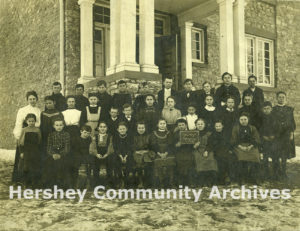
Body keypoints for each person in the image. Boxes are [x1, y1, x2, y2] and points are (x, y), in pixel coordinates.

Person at [12, 91, 41, 183]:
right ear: (27, 100)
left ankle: (33, 179)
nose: (32, 101)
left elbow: (39, 123)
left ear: (36, 99)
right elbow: (19, 123)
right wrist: (18, 136)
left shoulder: (38, 110)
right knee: (22, 159)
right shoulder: (22, 110)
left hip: (34, 137)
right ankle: (20, 179)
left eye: (34, 99)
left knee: (33, 160)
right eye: (30, 99)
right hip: (25, 136)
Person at [231, 113, 261, 184]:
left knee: (256, 156)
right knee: (241, 157)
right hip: (239, 146)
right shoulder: (236, 128)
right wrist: (241, 147)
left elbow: (257, 139)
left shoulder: (252, 128)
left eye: (245, 119)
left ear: (248, 120)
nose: (243, 121)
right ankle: (242, 178)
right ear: (239, 120)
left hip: (251, 146)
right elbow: (233, 140)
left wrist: (250, 146)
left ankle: (254, 178)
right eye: (241, 119)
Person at [272, 91, 296, 178]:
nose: (281, 99)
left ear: (285, 98)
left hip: (285, 135)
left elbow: (292, 123)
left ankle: (283, 172)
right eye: (279, 97)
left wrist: (291, 133)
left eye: (283, 97)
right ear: (277, 98)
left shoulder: (289, 109)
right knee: (276, 154)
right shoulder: (273, 109)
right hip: (276, 135)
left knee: (284, 154)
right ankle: (276, 172)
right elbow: (271, 122)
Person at [46, 118, 71, 188]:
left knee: (62, 166)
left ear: (63, 126)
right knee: (49, 165)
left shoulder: (66, 134)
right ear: (54, 126)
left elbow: (67, 148)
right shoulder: (51, 135)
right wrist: (52, 154)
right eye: (57, 125)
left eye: (60, 125)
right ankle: (52, 185)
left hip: (63, 154)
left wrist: (60, 154)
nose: (59, 127)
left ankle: (62, 185)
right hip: (53, 153)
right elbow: (49, 147)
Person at [149, 119, 175, 188]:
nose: (162, 125)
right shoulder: (154, 133)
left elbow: (171, 144)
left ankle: (170, 182)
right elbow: (153, 144)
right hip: (157, 152)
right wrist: (159, 153)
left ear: (166, 125)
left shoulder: (169, 133)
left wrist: (166, 153)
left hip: (168, 152)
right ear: (157, 125)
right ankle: (160, 183)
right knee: (158, 164)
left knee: (171, 162)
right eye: (161, 123)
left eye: (164, 123)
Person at [18, 114, 42, 187]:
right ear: (26, 121)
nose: (31, 123)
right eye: (29, 121)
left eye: (33, 121)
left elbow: (39, 141)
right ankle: (26, 183)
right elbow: (20, 142)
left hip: (35, 151)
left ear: (35, 121)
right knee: (26, 167)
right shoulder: (24, 130)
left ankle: (34, 183)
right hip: (26, 151)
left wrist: (38, 151)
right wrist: (21, 152)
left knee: (34, 166)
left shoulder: (37, 130)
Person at [193, 118, 217, 187]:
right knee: (198, 159)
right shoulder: (192, 133)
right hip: (197, 150)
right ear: (196, 125)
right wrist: (194, 146)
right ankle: (201, 181)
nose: (200, 125)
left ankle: (209, 181)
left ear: (204, 125)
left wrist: (207, 151)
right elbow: (189, 143)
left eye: (201, 124)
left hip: (207, 149)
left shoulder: (209, 133)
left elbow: (211, 144)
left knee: (210, 159)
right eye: (198, 124)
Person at [207, 120, 232, 185]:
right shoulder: (212, 135)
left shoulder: (226, 134)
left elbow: (229, 143)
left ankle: (226, 177)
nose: (218, 127)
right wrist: (208, 150)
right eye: (216, 126)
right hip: (216, 151)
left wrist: (229, 149)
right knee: (220, 159)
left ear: (222, 126)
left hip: (226, 150)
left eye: (219, 126)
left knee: (227, 158)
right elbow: (210, 144)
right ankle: (221, 178)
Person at [90, 121, 114, 187]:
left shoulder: (109, 136)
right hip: (98, 153)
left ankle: (109, 183)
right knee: (95, 163)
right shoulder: (95, 136)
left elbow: (110, 145)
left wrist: (107, 154)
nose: (102, 128)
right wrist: (96, 154)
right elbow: (93, 146)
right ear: (98, 128)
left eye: (104, 127)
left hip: (107, 153)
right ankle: (96, 183)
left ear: (107, 128)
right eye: (101, 127)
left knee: (110, 161)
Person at [133, 121, 154, 188]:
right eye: (139, 128)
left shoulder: (149, 136)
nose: (141, 129)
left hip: (146, 153)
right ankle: (140, 181)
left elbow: (151, 146)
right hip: (137, 153)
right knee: (139, 165)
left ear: (145, 128)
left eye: (142, 128)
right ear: (136, 128)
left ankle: (147, 182)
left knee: (147, 164)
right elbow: (132, 146)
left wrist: (146, 150)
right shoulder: (134, 136)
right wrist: (137, 151)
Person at [112, 122, 134, 188]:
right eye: (120, 129)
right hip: (118, 154)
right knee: (115, 160)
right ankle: (119, 179)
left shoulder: (130, 137)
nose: (122, 130)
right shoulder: (115, 137)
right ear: (118, 130)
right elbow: (115, 148)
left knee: (130, 161)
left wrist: (126, 156)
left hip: (128, 154)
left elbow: (130, 148)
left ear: (126, 129)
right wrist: (121, 156)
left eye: (123, 129)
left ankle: (126, 180)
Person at [173, 119, 194, 186]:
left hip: (188, 151)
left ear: (186, 125)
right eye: (179, 125)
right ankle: (180, 183)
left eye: (183, 125)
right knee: (180, 163)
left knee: (190, 162)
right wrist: (176, 145)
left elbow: (193, 144)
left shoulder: (190, 133)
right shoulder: (175, 134)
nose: (181, 126)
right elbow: (172, 145)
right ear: (177, 126)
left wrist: (195, 145)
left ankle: (190, 182)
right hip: (179, 152)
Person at [259, 101, 277, 180]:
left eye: (268, 108)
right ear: (262, 110)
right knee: (265, 157)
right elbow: (259, 129)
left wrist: (274, 136)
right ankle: (266, 173)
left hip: (274, 140)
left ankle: (275, 174)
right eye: (265, 109)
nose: (266, 110)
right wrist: (263, 136)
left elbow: (278, 129)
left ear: (271, 109)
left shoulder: (275, 118)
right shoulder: (261, 118)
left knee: (274, 156)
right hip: (264, 140)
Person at [72, 125, 92, 189]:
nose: (86, 134)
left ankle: (87, 183)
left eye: (88, 133)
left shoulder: (89, 139)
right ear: (81, 131)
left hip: (86, 156)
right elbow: (75, 150)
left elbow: (90, 150)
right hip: (78, 156)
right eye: (85, 132)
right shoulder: (76, 139)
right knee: (77, 166)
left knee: (88, 165)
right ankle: (76, 184)